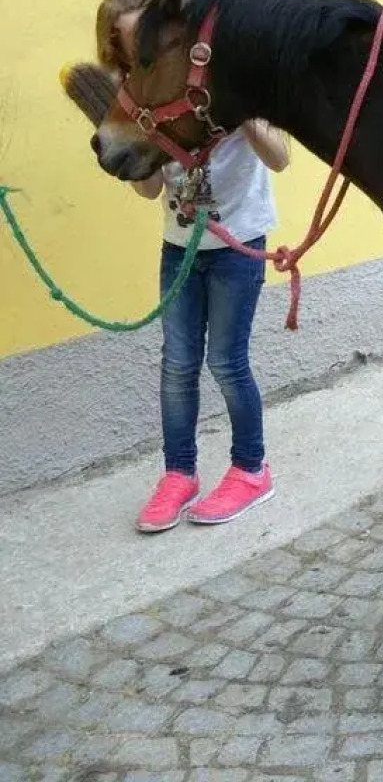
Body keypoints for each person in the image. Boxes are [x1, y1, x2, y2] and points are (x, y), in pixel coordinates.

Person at [131, 123, 290, 531]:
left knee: (226, 362)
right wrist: (133, 147)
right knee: (178, 364)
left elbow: (280, 158)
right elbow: (149, 190)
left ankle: (252, 470)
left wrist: (248, 117)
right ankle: (180, 474)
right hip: (178, 249)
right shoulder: (163, 104)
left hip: (237, 249)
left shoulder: (236, 89)